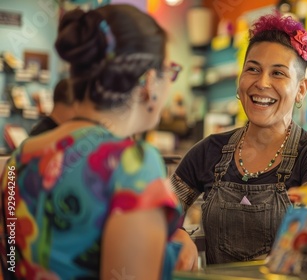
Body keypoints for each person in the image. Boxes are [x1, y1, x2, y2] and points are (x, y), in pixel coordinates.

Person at [0, 4, 185, 279]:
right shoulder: (134, 163)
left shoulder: (20, 158)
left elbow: (11, 267)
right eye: (170, 72)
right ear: (148, 82)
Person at [171, 12, 307, 265]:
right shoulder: (209, 150)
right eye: (253, 69)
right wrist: (176, 233)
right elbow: (157, 216)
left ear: (301, 89)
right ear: (240, 80)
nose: (262, 83)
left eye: (278, 73)